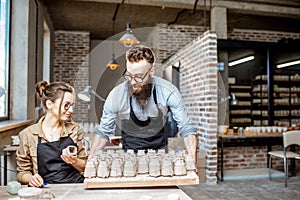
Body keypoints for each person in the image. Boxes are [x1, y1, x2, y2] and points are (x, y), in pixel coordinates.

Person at [89, 45, 197, 161]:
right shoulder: (117, 95)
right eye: (129, 75)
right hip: (129, 156)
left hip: (160, 155)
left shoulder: (168, 92)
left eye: (139, 77)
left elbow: (187, 129)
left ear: (151, 71)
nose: (133, 82)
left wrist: (192, 159)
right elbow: (103, 132)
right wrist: (90, 160)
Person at [16, 81, 87, 187]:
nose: (71, 110)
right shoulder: (28, 135)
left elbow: (85, 166)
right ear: (49, 104)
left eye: (71, 105)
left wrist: (74, 161)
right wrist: (31, 179)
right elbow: (22, 172)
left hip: (75, 187)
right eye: (66, 105)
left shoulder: (75, 130)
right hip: (45, 189)